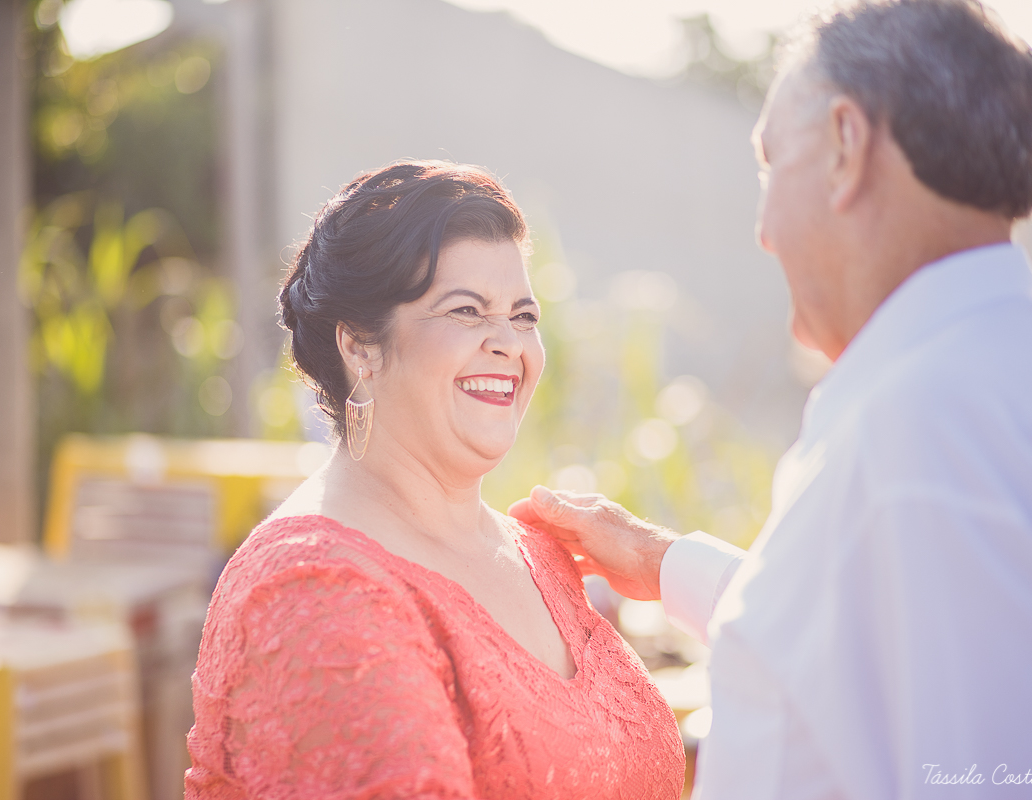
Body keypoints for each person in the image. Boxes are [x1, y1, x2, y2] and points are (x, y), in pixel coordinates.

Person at [511, 1, 1032, 798]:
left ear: (846, 146)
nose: (762, 229)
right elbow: (878, 642)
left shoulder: (931, 437)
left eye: (770, 163)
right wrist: (663, 562)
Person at [184, 162, 685, 799]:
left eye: (523, 316)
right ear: (359, 346)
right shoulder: (311, 587)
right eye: (466, 311)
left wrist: (667, 566)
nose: (508, 343)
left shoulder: (545, 557)